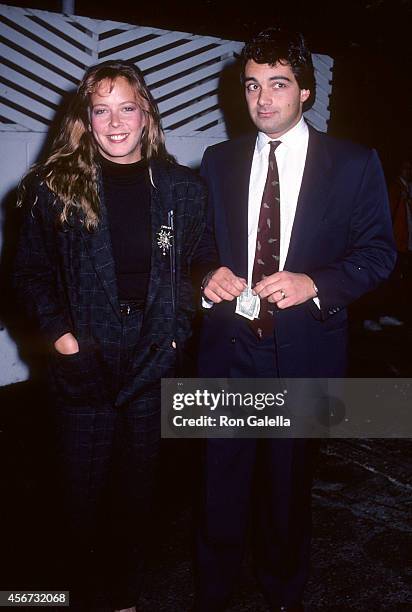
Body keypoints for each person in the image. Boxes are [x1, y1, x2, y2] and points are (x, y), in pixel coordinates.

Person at [193, 28, 396, 611]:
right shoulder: (218, 160)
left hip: (306, 349)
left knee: (287, 489)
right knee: (217, 485)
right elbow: (200, 244)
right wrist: (207, 275)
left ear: (305, 91)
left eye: (278, 84)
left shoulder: (355, 164)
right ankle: (212, 595)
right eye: (252, 86)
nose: (263, 99)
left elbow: (379, 253)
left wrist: (317, 284)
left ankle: (284, 595)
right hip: (228, 351)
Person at [14, 60, 206, 612]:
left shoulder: (182, 189)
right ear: (86, 118)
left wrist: (172, 338)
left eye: (128, 107)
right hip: (83, 358)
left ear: (147, 115)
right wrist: (61, 338)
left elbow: (190, 270)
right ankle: (76, 596)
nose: (115, 122)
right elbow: (28, 272)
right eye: (102, 110)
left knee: (138, 496)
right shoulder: (55, 187)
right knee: (78, 497)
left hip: (151, 357)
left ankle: (124, 598)